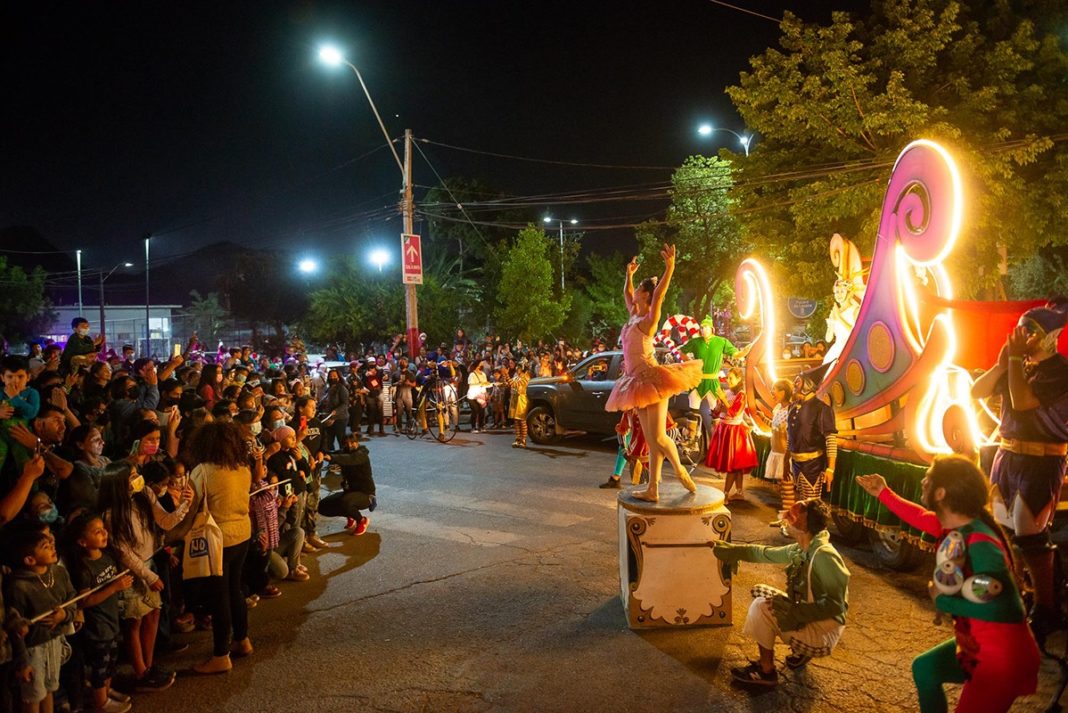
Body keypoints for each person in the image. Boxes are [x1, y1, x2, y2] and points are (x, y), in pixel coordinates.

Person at [856, 455, 1040, 713]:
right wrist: (883, 493)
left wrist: (944, 601)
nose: (923, 481)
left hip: (1000, 659)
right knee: (926, 669)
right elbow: (919, 516)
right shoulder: (957, 528)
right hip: (977, 643)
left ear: (941, 493)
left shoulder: (980, 543)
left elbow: (1005, 609)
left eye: (928, 478)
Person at [969, 298, 1068, 640]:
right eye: (1021, 330)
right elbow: (977, 391)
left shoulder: (1059, 370)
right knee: (1005, 530)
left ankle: (1046, 607)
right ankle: (1015, 597)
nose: (1022, 336)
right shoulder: (1017, 365)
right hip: (1007, 456)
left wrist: (1012, 361)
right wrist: (1002, 365)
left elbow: (1023, 402)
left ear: (1049, 337)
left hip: (1042, 460)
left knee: (1029, 531)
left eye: (1030, 331)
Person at [713, 498, 849, 687]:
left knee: (761, 607)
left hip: (823, 636)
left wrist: (793, 613)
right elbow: (764, 553)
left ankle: (766, 671)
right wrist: (731, 551)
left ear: (804, 525)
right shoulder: (803, 547)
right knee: (759, 591)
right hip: (813, 621)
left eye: (792, 515)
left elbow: (836, 607)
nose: (785, 516)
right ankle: (801, 651)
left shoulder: (824, 555)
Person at [604, 246, 703, 502]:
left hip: (653, 380)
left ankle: (680, 471)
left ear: (645, 294)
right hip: (635, 382)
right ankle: (653, 489)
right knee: (651, 440)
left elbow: (659, 296)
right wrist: (629, 275)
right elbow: (627, 293)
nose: (634, 291)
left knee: (658, 436)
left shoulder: (648, 320)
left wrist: (670, 268)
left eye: (639, 288)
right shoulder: (632, 316)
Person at [97, 461, 189, 691]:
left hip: (149, 562)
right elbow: (124, 554)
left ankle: (149, 665)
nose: (137, 478)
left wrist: (185, 504)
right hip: (131, 570)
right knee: (135, 620)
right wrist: (148, 576)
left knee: (153, 612)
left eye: (136, 474)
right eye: (132, 476)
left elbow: (165, 521)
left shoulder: (144, 495)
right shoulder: (111, 515)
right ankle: (140, 673)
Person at [185, 421, 254, 674]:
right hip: (242, 533)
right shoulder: (243, 468)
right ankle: (242, 639)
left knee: (219, 596)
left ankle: (221, 655)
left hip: (218, 539)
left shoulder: (203, 471)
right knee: (235, 589)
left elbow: (191, 507)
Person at [61, 513, 135, 713]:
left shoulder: (107, 557)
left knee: (111, 661)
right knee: (100, 665)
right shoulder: (84, 568)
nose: (104, 534)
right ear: (82, 542)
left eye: (104, 529)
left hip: (112, 620)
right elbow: (84, 601)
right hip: (98, 625)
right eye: (97, 532)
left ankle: (106, 693)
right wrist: (114, 587)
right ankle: (100, 702)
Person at [4, 527, 77, 713]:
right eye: (46, 546)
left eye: (51, 544)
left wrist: (64, 615)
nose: (53, 547)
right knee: (33, 695)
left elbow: (71, 598)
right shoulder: (19, 586)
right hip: (32, 648)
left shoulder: (58, 573)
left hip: (54, 640)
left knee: (50, 688)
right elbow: (16, 627)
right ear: (30, 559)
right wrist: (22, 663)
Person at [785, 363, 837, 501]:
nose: (794, 384)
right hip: (795, 464)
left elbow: (831, 440)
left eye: (798, 381)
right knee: (800, 504)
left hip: (813, 465)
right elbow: (790, 436)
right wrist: (786, 461)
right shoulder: (792, 407)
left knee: (811, 505)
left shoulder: (822, 409)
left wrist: (830, 469)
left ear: (807, 385)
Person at [706, 367, 758, 501]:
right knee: (736, 465)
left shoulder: (741, 394)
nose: (728, 380)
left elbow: (734, 412)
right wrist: (717, 405)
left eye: (731, 378)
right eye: (727, 378)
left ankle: (725, 494)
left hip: (734, 431)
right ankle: (739, 492)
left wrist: (723, 399)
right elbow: (717, 412)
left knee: (733, 465)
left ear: (739, 379)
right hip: (724, 429)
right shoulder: (728, 392)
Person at [319, 431, 377, 536]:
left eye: (352, 442)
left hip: (366, 494)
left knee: (346, 502)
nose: (349, 445)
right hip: (350, 492)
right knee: (322, 506)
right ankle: (350, 515)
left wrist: (331, 458)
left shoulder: (361, 454)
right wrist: (321, 453)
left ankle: (362, 520)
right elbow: (334, 453)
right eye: (346, 443)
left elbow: (349, 459)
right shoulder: (344, 452)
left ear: (357, 442)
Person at [509, 362, 531, 449]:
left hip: (522, 399)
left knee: (522, 420)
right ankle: (518, 438)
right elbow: (510, 384)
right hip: (514, 399)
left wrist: (506, 375)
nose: (517, 369)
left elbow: (515, 384)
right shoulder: (516, 377)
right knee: (516, 420)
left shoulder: (526, 377)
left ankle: (523, 439)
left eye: (518, 368)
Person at [467, 360, 489, 433]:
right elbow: (471, 384)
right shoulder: (472, 374)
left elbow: (485, 385)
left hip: (480, 396)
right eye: (480, 364)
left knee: (481, 411)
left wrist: (485, 393)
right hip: (472, 396)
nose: (482, 366)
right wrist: (481, 384)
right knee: (475, 410)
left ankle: (481, 426)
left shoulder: (483, 374)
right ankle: (473, 427)